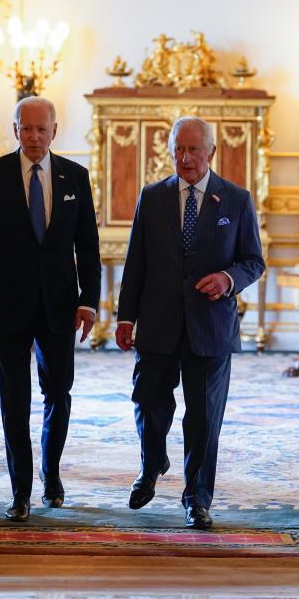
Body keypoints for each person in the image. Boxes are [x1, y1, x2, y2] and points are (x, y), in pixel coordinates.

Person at [115, 116, 265, 529]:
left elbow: (254, 261)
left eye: (193, 149)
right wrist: (125, 317)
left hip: (210, 328)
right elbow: (136, 264)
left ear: (211, 152)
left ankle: (197, 498)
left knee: (203, 417)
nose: (185, 157)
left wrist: (228, 279)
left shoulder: (235, 200)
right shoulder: (152, 197)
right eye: (178, 149)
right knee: (148, 402)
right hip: (157, 324)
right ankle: (152, 464)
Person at [0, 96, 101, 522]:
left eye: (42, 129)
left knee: (58, 393)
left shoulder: (75, 176)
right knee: (14, 399)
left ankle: (51, 473)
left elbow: (88, 248)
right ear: (15, 129)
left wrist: (88, 302)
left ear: (55, 131)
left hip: (60, 305)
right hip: (7, 306)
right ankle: (20, 491)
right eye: (27, 128)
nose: (35, 137)